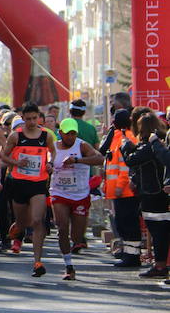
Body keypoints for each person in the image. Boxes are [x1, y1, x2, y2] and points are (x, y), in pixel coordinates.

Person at [1, 102, 56, 277]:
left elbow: (53, 152)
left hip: (38, 183)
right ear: (23, 118)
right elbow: (3, 155)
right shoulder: (15, 136)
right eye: (28, 119)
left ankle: (37, 261)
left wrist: (50, 163)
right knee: (23, 222)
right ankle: (18, 226)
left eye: (35, 118)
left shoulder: (45, 135)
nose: (32, 122)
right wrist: (16, 163)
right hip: (19, 182)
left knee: (38, 220)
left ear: (39, 118)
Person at [49, 118, 103, 280]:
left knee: (76, 237)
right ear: (60, 133)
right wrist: (48, 167)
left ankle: (75, 244)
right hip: (59, 193)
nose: (71, 137)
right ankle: (68, 266)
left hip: (80, 194)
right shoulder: (53, 147)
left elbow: (100, 159)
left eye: (73, 133)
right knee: (62, 228)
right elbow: (47, 163)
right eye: (68, 134)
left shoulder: (82, 146)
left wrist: (77, 160)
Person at [121, 112, 169, 279]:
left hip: (151, 193)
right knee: (161, 230)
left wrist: (125, 147)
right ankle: (161, 264)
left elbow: (131, 160)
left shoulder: (148, 146)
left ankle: (160, 265)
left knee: (158, 231)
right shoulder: (160, 143)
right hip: (160, 192)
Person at [100, 109, 141, 267]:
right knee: (122, 224)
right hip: (119, 191)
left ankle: (132, 256)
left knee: (128, 224)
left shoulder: (126, 138)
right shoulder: (117, 137)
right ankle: (128, 253)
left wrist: (119, 186)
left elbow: (125, 167)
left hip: (125, 191)